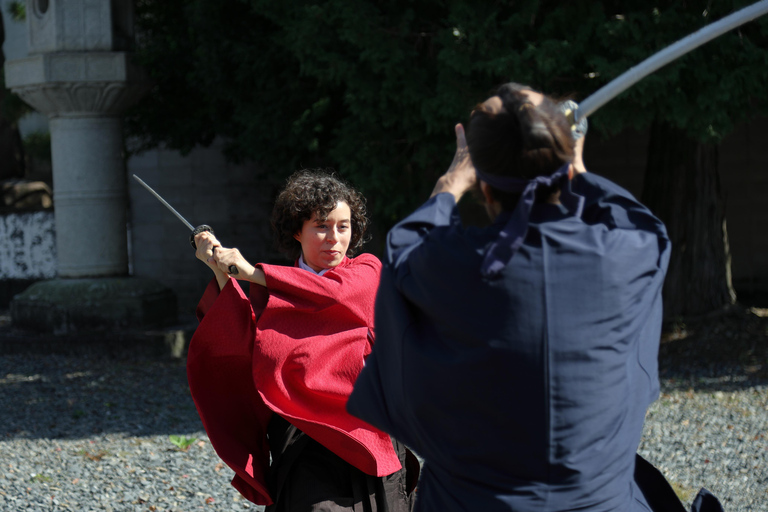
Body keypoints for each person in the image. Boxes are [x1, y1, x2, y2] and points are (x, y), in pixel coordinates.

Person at [347, 83, 722, 511]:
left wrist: (452, 181)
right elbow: (640, 224)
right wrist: (576, 167)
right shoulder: (625, 257)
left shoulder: (447, 268)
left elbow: (409, 244)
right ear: (565, 170)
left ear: (484, 189)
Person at [187, 170, 417, 511]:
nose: (334, 238)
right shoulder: (275, 290)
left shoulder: (367, 272)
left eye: (343, 226)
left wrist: (251, 272)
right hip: (300, 431)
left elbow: (333, 295)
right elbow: (241, 341)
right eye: (321, 226)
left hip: (363, 429)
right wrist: (219, 266)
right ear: (297, 230)